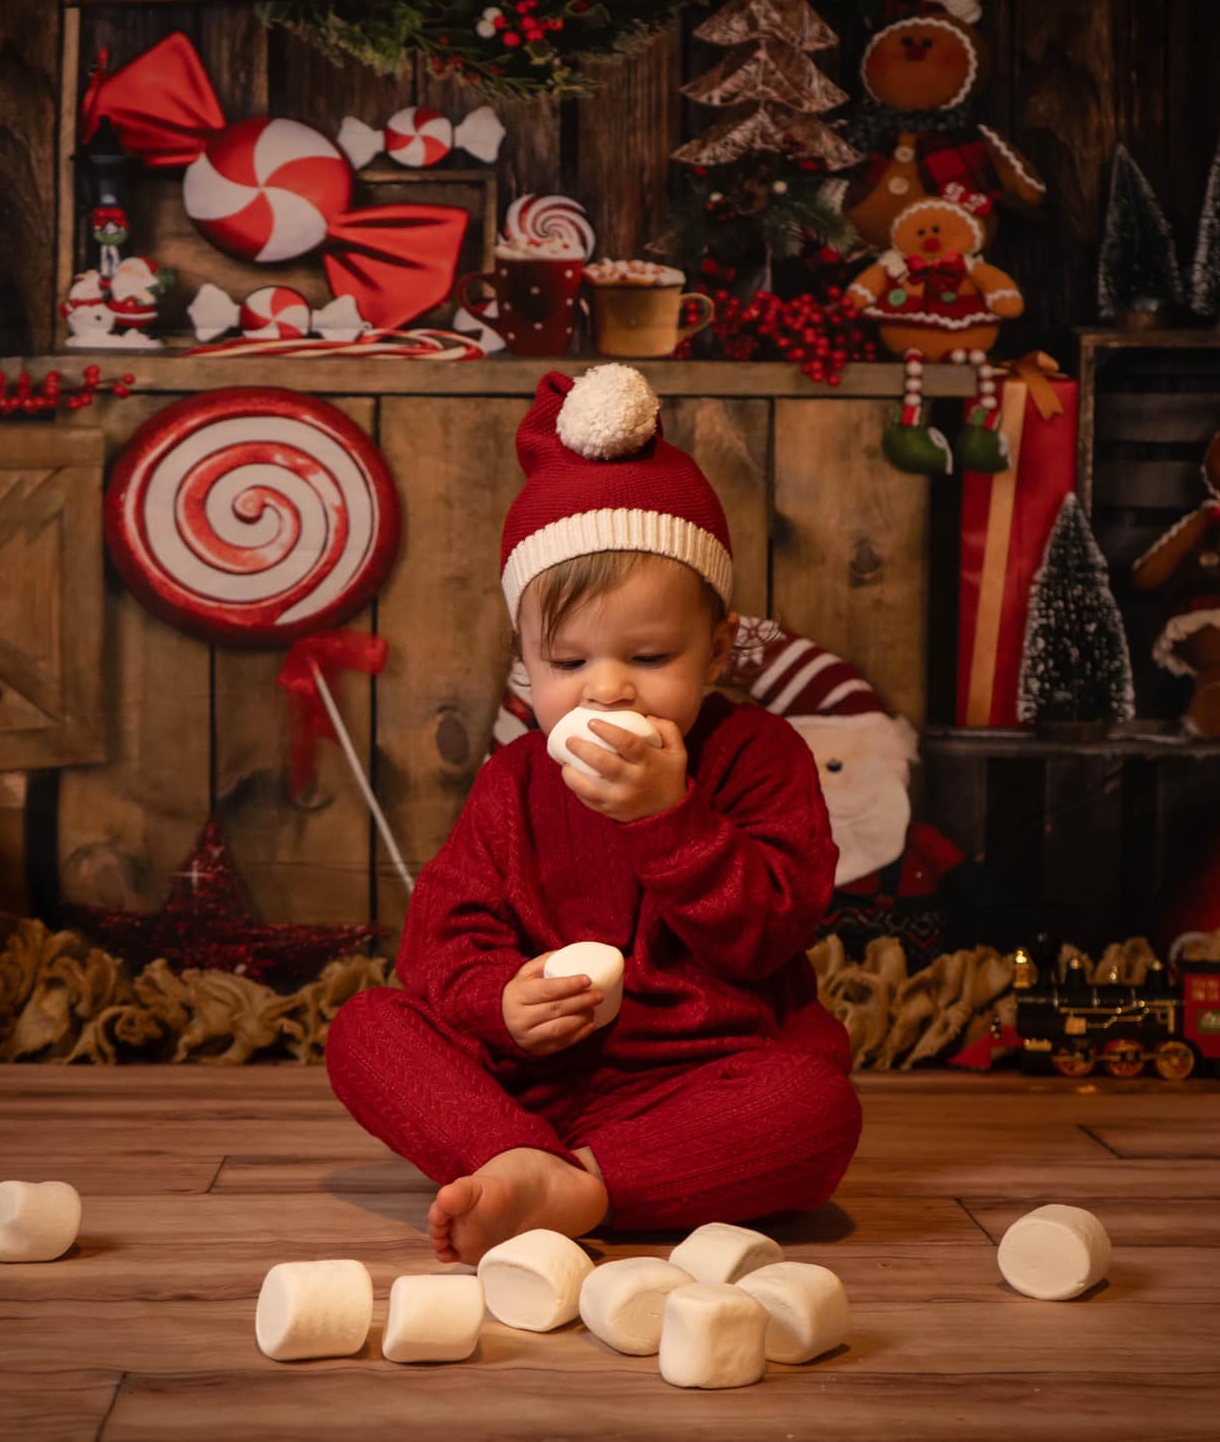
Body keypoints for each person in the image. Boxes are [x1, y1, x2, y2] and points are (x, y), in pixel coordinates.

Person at [327, 364, 863, 1265]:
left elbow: (772, 929)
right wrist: (501, 1003)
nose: (608, 687)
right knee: (366, 1028)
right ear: (526, 663)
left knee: (814, 1109)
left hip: (697, 1081)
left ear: (718, 648)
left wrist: (670, 819)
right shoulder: (512, 782)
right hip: (529, 1081)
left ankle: (572, 1184)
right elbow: (441, 945)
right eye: (568, 664)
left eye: (650, 655)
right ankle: (521, 1155)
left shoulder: (760, 757)